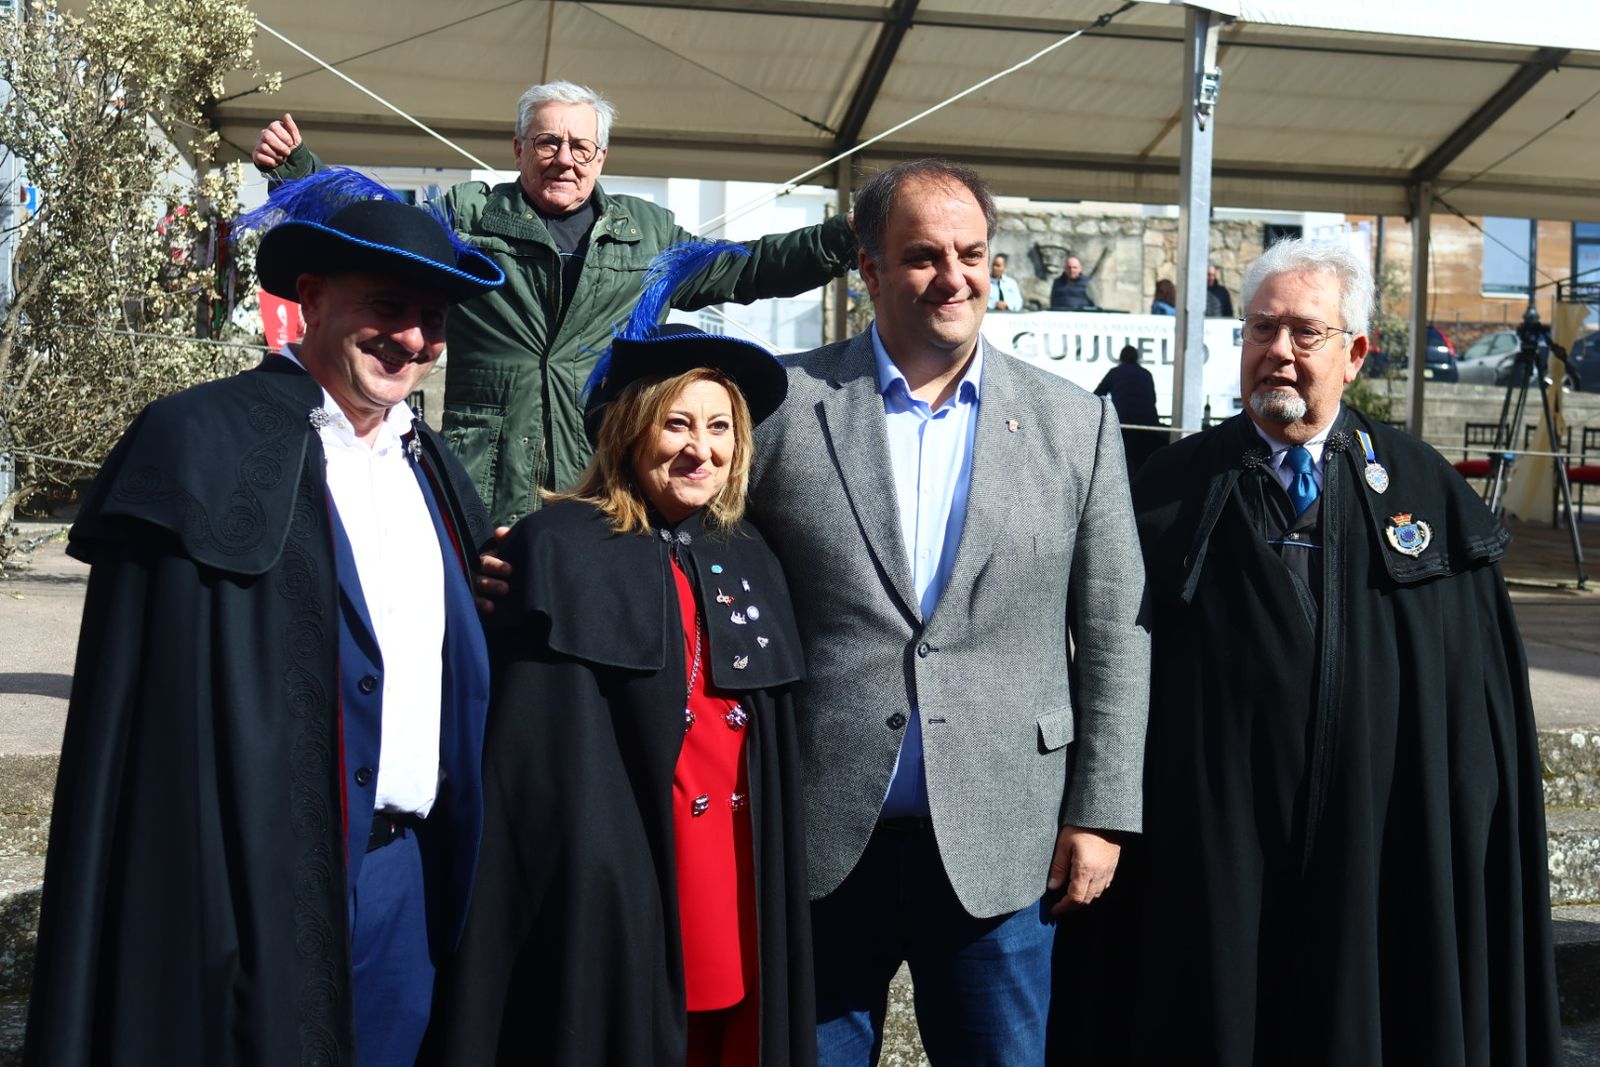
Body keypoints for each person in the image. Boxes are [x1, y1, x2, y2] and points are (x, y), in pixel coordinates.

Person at [22, 169, 504, 1067]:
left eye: (434, 319)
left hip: (404, 878)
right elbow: (143, 710)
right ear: (311, 298)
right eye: (388, 307)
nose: (412, 339)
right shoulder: (196, 441)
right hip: (244, 884)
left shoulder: (434, 468)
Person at [747, 159, 1150, 1064]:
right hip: (820, 833)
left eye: (972, 254)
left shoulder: (1073, 423)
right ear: (870, 268)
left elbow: (1115, 631)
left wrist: (1102, 811)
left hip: (1005, 841)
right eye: (924, 255)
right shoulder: (782, 404)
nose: (954, 276)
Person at [1121, 238, 1559, 1063]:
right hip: (1213, 859)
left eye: (1305, 332)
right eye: (1261, 329)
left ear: (1355, 354)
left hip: (1382, 851)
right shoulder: (1169, 488)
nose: (1278, 351)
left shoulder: (1425, 491)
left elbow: (1478, 707)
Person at [426, 243, 814, 1066]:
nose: (700, 449)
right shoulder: (555, 548)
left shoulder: (753, 555)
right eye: (678, 423)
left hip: (730, 869)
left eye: (719, 428)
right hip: (618, 875)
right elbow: (529, 768)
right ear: (632, 428)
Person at [254, 82, 857, 528]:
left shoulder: (648, 236)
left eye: (581, 146)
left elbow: (748, 268)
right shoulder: (469, 217)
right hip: (479, 476)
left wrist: (846, 237)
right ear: (519, 149)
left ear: (601, 158)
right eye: (548, 142)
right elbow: (384, 235)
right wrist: (298, 171)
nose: (565, 158)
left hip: (601, 480)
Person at [1095, 344, 1162, 475]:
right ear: (1137, 359)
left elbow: (1097, 395)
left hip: (1124, 426)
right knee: (1144, 466)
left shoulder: (1115, 373)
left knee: (1125, 466)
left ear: (1121, 359)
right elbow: (1153, 400)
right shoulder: (1146, 373)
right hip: (1150, 428)